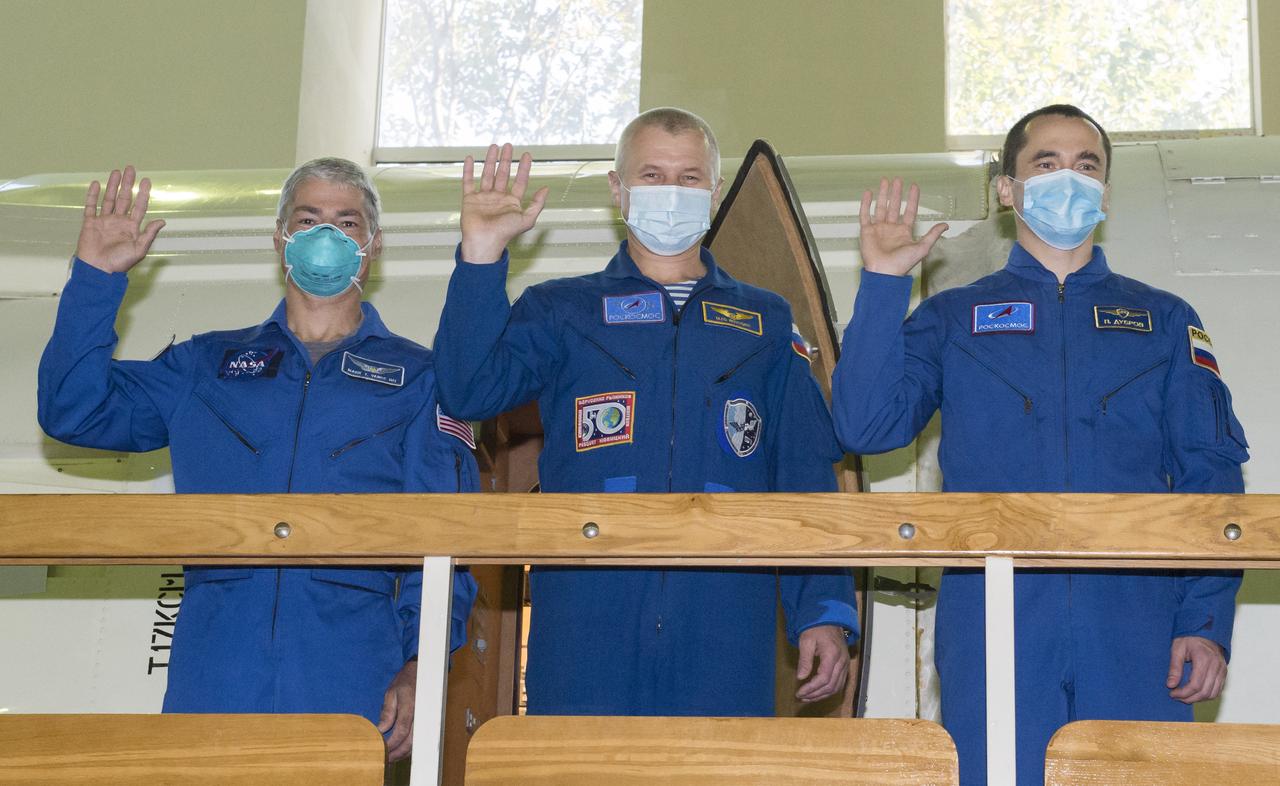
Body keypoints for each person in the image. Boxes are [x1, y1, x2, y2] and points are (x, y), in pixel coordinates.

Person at [832, 104, 1248, 784]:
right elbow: (866, 427)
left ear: (1105, 190)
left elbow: (1213, 478)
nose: (1069, 179)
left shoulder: (1164, 321)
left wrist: (1204, 620)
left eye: (1087, 165)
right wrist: (882, 284)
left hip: (1138, 621)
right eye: (1046, 164)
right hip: (994, 615)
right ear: (1008, 188)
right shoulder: (953, 317)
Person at [37, 159, 479, 761]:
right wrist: (95, 280)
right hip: (215, 657)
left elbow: (450, 538)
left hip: (351, 663)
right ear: (280, 237)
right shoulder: (204, 366)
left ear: (373, 244)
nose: (327, 236)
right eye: (309, 219)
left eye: (347, 222)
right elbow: (72, 410)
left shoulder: (422, 379)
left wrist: (421, 664)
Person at [433, 108, 858, 716]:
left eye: (689, 178)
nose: (671, 192)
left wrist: (823, 610)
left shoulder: (766, 320)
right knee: (577, 763)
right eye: (652, 175)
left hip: (726, 614)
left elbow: (803, 471)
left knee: (720, 763)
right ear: (618, 189)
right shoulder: (562, 308)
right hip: (586, 611)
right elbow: (468, 392)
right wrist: (481, 256)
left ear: (714, 192)